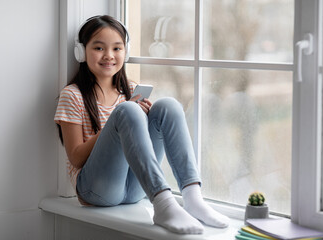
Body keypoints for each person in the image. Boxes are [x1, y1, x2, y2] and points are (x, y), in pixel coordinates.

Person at [54, 15, 229, 235]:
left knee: (168, 106)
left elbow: (139, 144)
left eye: (117, 48)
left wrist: (143, 117)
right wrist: (116, 121)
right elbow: (76, 157)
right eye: (99, 48)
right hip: (96, 190)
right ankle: (163, 204)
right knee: (127, 110)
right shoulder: (72, 95)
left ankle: (193, 197)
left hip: (134, 190)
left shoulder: (130, 89)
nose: (108, 55)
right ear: (82, 52)